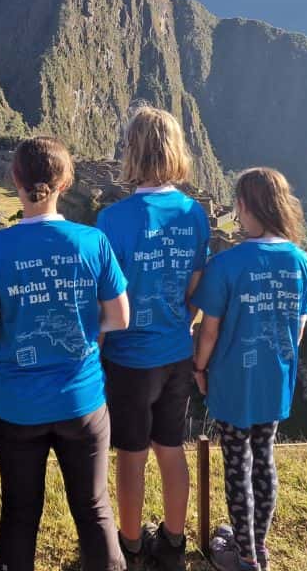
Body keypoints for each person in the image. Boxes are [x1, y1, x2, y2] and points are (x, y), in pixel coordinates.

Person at [0, 136, 131, 571]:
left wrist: (16, 340)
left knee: (20, 512)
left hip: (19, 405)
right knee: (93, 507)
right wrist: (85, 337)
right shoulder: (92, 242)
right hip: (82, 400)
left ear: (15, 179)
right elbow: (120, 317)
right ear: (66, 181)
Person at [97, 108, 210, 570]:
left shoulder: (112, 219)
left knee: (131, 453)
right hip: (176, 352)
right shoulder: (193, 213)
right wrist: (178, 320)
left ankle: (130, 544)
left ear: (133, 152)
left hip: (128, 355)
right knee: (171, 447)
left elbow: (107, 299)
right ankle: (175, 543)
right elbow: (195, 289)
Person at [191, 167, 307, 571]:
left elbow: (208, 332)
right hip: (275, 377)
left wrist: (199, 368)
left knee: (236, 465)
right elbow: (298, 326)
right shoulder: (300, 261)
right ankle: (258, 545)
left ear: (244, 206)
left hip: (232, 379)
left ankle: (244, 556)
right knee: (264, 458)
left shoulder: (227, 265)